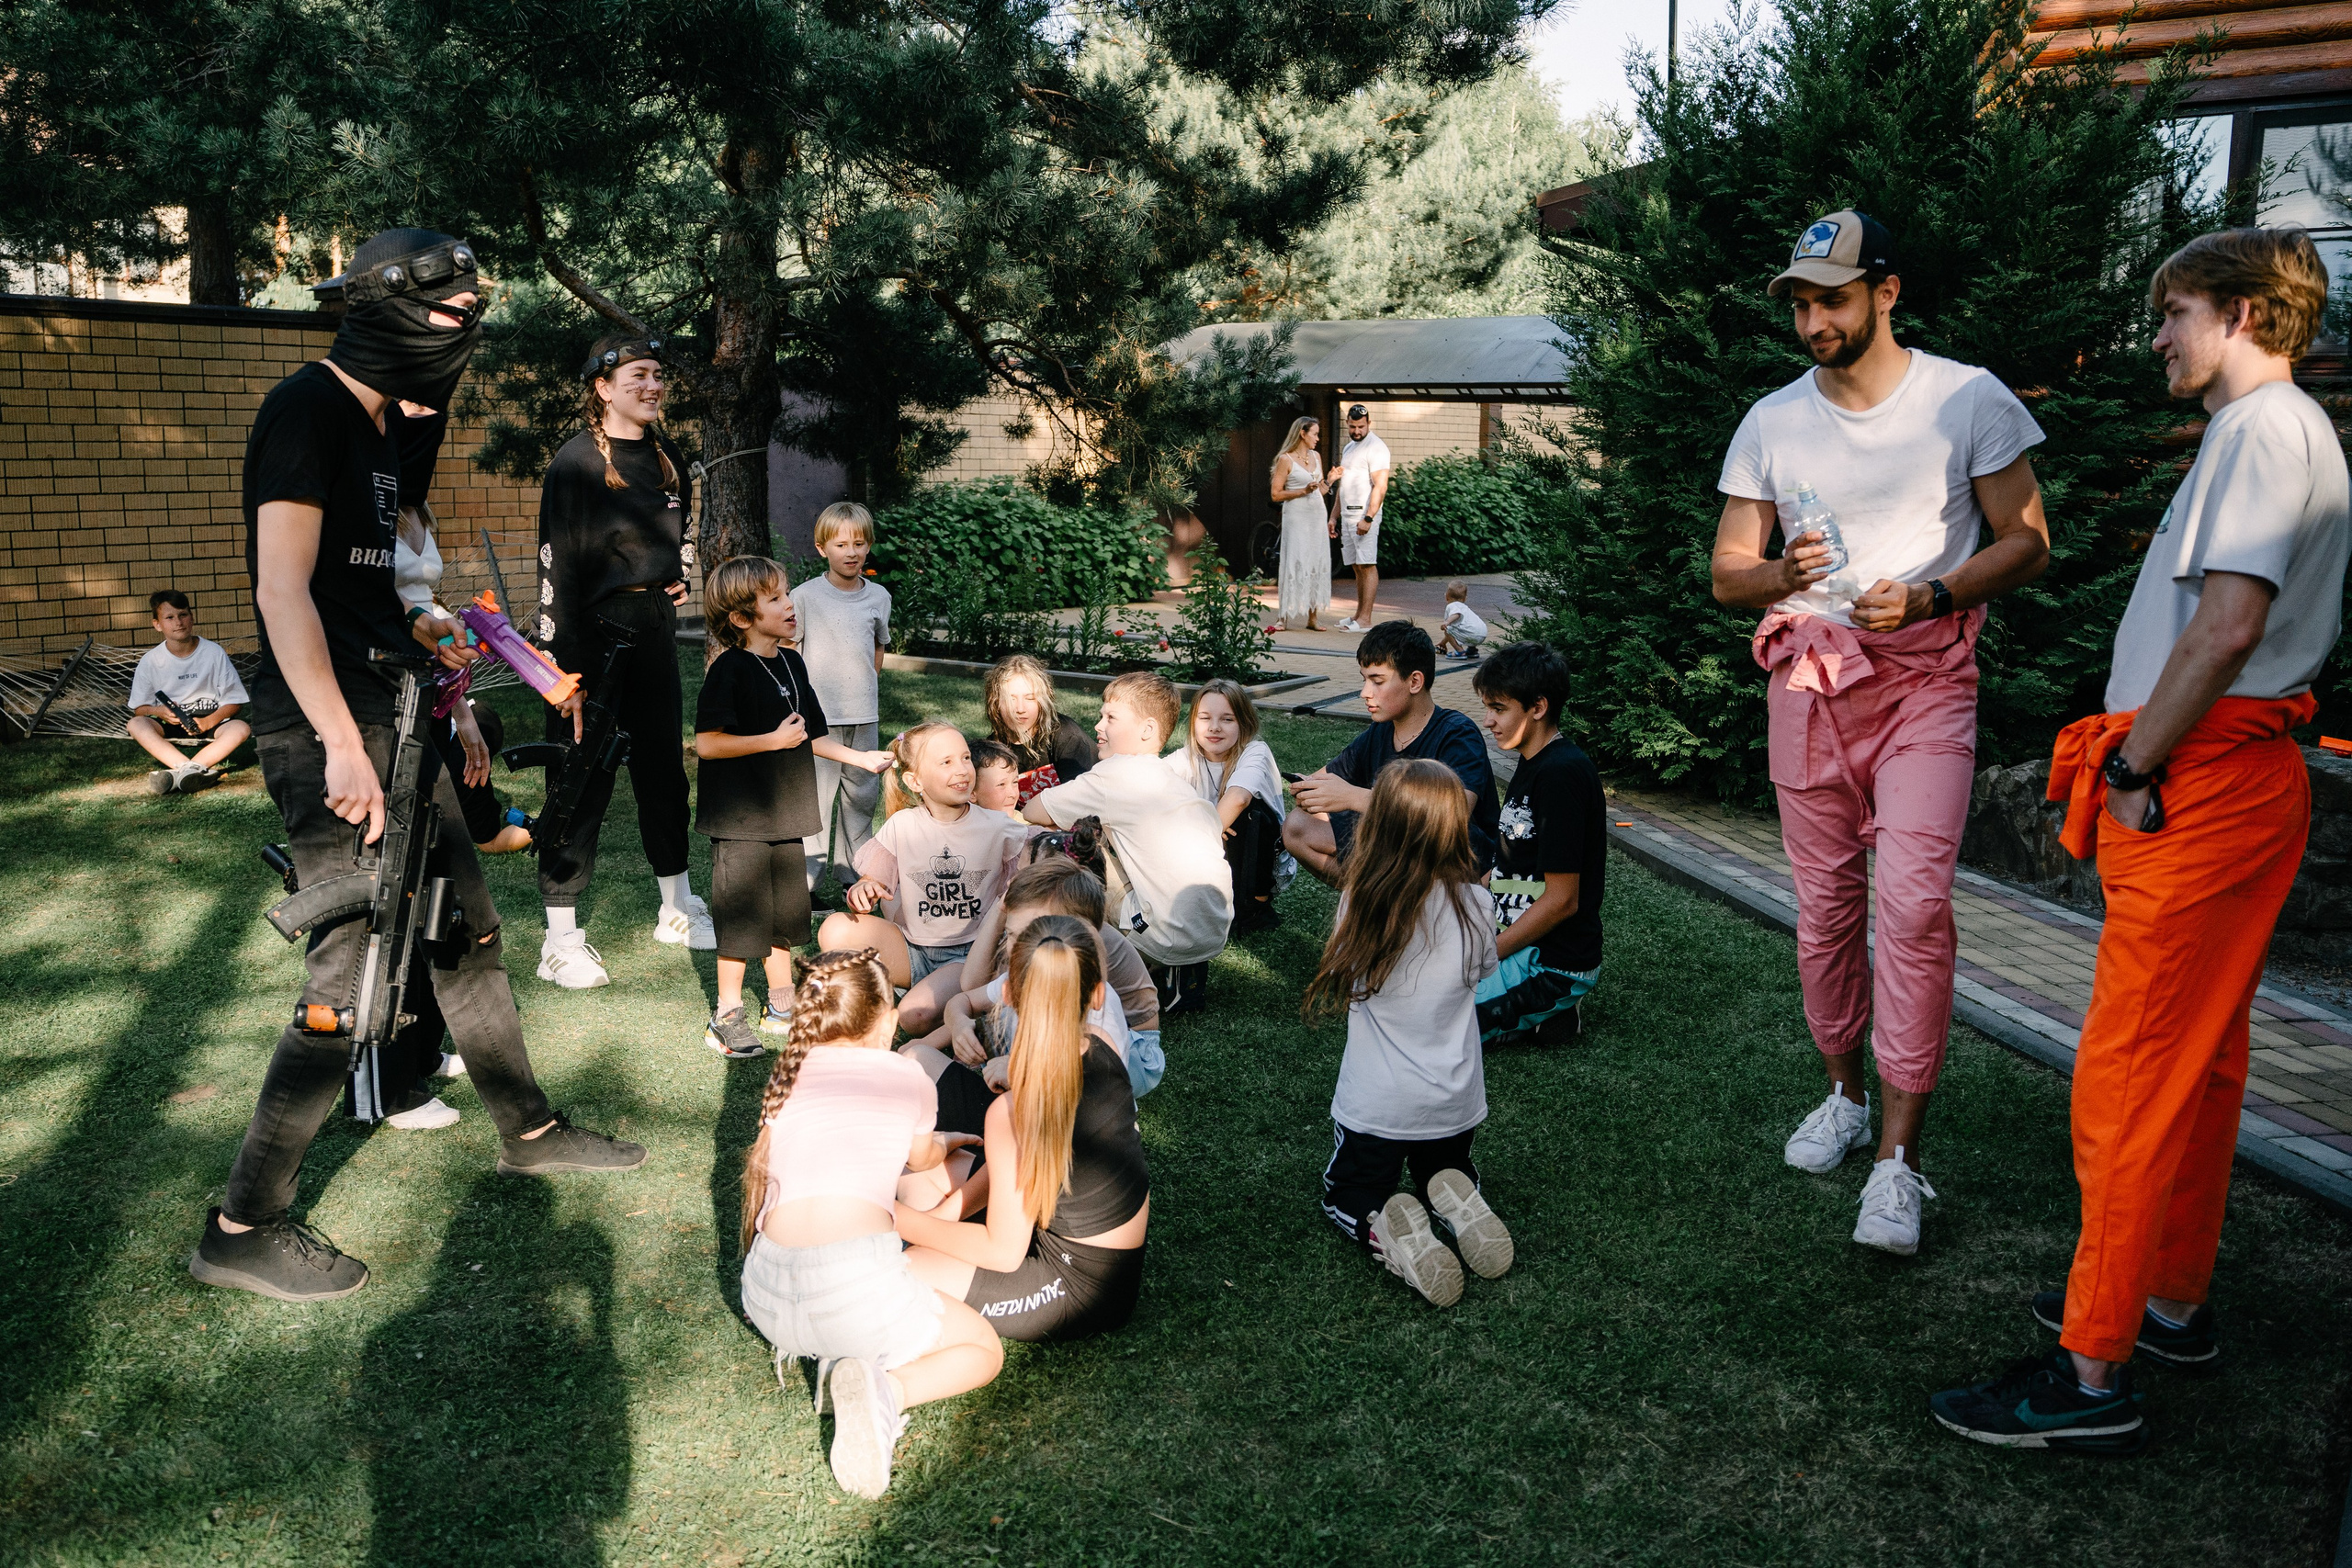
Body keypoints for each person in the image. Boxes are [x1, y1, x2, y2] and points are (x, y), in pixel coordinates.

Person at [1932, 228, 2350, 1456]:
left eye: (2174, 312)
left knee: (2128, 1075)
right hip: (2227, 781)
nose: (2158, 336)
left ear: (2243, 314)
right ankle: (2166, 1301)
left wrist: (2129, 766)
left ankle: (2090, 1369)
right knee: (2200, 1062)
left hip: (2197, 783)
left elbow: (2225, 629)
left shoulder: (2263, 430)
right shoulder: (2273, 429)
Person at [191, 227, 641, 1304]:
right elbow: (281, 591)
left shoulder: (388, 429)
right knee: (346, 974)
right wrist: (342, 744)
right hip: (327, 722)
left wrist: (447, 691)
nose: (462, 333)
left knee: (465, 931)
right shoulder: (304, 409)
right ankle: (241, 1225)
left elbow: (380, 593)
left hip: (397, 709)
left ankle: (529, 1130)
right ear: (389, 305)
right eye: (451, 315)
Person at [1710, 209, 2051, 1257]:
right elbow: (1727, 573)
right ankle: (1844, 1099)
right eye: (1801, 304)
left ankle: (1899, 1163)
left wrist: (1936, 594)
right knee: (1823, 914)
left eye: (1834, 299)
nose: (1815, 320)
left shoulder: (1967, 398)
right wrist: (1780, 572)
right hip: (1811, 682)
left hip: (1926, 684)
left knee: (1911, 910)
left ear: (1886, 293)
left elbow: (2029, 540)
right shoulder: (1771, 419)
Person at [736, 949, 1003, 1498]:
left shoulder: (789, 1071)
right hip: (850, 1291)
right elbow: (923, 1157)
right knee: (983, 1349)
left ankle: (841, 1355)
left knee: (844, 1304)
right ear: (886, 1020)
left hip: (764, 1297)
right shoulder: (906, 1074)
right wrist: (947, 1142)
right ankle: (885, 1391)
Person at [533, 333, 708, 989]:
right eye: (637, 375)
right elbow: (555, 572)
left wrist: (676, 573)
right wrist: (559, 673)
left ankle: (676, 907)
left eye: (658, 374)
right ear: (603, 387)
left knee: (663, 773)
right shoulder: (575, 463)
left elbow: (681, 532)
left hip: (654, 631)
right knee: (579, 780)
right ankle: (559, 940)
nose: (652, 385)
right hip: (590, 639)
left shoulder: (667, 457)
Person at [1305, 760, 1511, 1309]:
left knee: (1348, 1193)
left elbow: (1351, 975)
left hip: (1379, 1106)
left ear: (1379, 826)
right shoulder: (1477, 905)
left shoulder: (1361, 902)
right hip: (1453, 1103)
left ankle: (1383, 1229)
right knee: (1445, 1171)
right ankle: (1460, 1201)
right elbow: (1483, 971)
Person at [896, 916, 1150, 1343]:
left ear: (1008, 993)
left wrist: (892, 1220)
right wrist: (944, 1214)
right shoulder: (1099, 1045)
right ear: (1097, 994)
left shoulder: (1013, 1110)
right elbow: (1013, 1168)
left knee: (901, 1268)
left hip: (1078, 1289)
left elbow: (1002, 1253)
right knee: (919, 1181)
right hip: (1091, 1257)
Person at [695, 557, 894, 1059]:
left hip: (786, 815)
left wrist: (861, 758)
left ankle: (781, 1004)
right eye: (777, 599)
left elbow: (813, 736)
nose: (790, 605)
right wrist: (770, 740)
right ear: (743, 618)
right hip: (741, 821)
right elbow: (708, 744)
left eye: (787, 594)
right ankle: (726, 1015)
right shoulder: (729, 669)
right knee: (743, 916)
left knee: (785, 910)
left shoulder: (792, 662)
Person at [1023, 671, 1233, 1015]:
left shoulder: (1115, 774)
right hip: (1211, 928)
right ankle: (1175, 967)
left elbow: (1033, 812)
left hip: (1167, 934)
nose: (1098, 726)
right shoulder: (1172, 779)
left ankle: (1080, 959)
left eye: (1111, 717)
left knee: (1058, 843)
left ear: (1147, 730)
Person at [388, 403, 532, 855]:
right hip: (394, 655)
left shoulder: (420, 511)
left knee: (480, 722)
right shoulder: (369, 507)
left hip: (435, 657)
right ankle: (476, 829)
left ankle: (480, 824)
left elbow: (422, 591)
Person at [910, 858, 1166, 1111]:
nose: (1017, 947)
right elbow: (963, 999)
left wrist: (1022, 1073)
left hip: (1061, 1121)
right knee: (918, 1057)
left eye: (1033, 933)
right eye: (1012, 934)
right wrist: (958, 1024)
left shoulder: (1091, 1001)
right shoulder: (1022, 977)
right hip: (1020, 1104)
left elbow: (1101, 1091)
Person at [820, 719, 1030, 994]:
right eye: (946, 762)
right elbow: (872, 881)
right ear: (915, 781)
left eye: (965, 758)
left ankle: (943, 999)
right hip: (911, 949)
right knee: (834, 928)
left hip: (970, 956)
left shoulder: (999, 827)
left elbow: (1035, 875)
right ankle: (919, 993)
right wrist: (862, 890)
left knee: (914, 1014)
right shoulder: (902, 825)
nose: (962, 769)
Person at [1286, 621, 1498, 886]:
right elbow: (1326, 778)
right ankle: (1375, 898)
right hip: (1394, 849)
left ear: (1415, 681)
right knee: (1298, 826)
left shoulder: (1457, 734)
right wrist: (1309, 788)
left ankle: (1386, 898)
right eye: (1364, 680)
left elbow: (1451, 816)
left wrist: (1353, 797)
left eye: (1377, 681)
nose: (1365, 693)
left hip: (1449, 862)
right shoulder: (1381, 731)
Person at [1472, 641, 1605, 1043]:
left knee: (1436, 1026)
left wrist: (1487, 954)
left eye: (1498, 709)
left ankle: (1556, 1009)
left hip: (1551, 963)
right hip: (1511, 938)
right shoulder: (1532, 760)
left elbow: (1563, 900)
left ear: (1538, 707)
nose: (1488, 720)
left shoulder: (1562, 775)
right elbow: (1514, 861)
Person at [792, 502, 892, 894]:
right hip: (820, 723)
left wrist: (863, 690)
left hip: (864, 717)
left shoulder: (878, 597)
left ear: (868, 546)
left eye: (859, 544)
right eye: (840, 545)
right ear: (822, 548)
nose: (851, 552)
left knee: (861, 799)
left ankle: (855, 877)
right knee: (816, 803)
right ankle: (807, 886)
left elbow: (877, 649)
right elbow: (790, 652)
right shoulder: (804, 596)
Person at [1164, 678, 1290, 931]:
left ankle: (1256, 907)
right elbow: (1147, 783)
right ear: (1193, 722)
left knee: (1248, 814)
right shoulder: (1188, 757)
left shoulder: (1256, 751)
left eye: (1227, 719)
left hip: (1258, 861)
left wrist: (1203, 830)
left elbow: (1239, 799)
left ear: (1243, 723)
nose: (1214, 728)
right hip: (1210, 853)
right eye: (1204, 718)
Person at [126, 588, 250, 795]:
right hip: (170, 722)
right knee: (135, 724)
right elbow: (140, 709)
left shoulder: (213, 653)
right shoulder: (151, 661)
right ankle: (190, 769)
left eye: (183, 615)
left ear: (192, 618)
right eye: (169, 617)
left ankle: (184, 771)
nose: (178, 622)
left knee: (241, 728)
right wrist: (158, 712)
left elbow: (235, 702)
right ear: (157, 624)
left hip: (210, 719)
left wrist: (209, 721)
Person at [985, 653, 1095, 806]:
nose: (1020, 709)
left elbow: (1080, 802)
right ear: (996, 703)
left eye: (1030, 698)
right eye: (1011, 699)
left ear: (1043, 701)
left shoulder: (1066, 736)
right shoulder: (991, 751)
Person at [1329, 404, 1391, 633]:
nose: (1357, 431)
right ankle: (1358, 615)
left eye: (1361, 427)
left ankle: (1365, 619)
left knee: (1367, 564)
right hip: (1347, 515)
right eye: (1353, 426)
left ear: (1369, 424)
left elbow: (1380, 486)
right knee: (1356, 566)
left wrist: (1369, 518)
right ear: (1347, 423)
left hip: (1364, 516)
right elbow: (1344, 486)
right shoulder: (1349, 447)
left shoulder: (1376, 447)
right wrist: (1333, 516)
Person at [1271, 415, 1333, 631]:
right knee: (1294, 559)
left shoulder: (1316, 456)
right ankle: (1283, 617)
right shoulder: (1285, 459)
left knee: (1315, 560)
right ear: (1302, 433)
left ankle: (1312, 617)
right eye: (1314, 434)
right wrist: (1302, 491)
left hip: (1316, 516)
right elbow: (1276, 494)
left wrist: (1330, 480)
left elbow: (1319, 491)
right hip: (1296, 517)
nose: (1317, 438)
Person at [968, 738, 1022, 814]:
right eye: (1001, 784)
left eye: (1015, 782)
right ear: (971, 793)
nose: (1013, 794)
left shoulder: (1023, 819)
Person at [1438, 581, 1487, 660]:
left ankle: (1460, 652)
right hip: (1482, 634)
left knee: (1448, 630)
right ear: (1465, 599)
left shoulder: (1452, 606)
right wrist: (1442, 643)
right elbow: (1453, 633)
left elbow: (1456, 614)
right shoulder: (1464, 608)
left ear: (1446, 597)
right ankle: (1472, 650)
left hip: (1471, 634)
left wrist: (1447, 622)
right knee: (1464, 628)